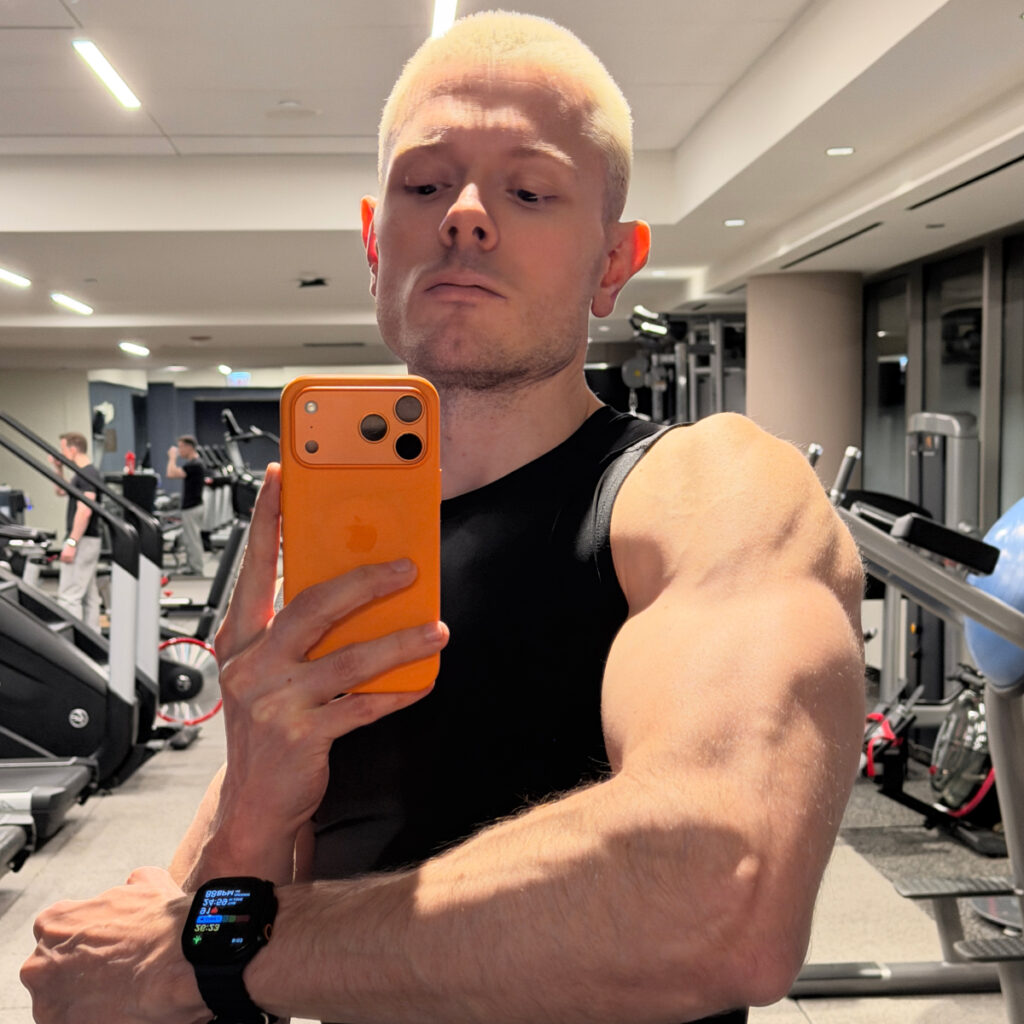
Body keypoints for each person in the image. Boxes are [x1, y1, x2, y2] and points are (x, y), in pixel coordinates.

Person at [22, 12, 866, 1024]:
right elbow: (184, 967)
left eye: (528, 188)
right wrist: (249, 814)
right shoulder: (338, 542)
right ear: (377, 244)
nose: (465, 216)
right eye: (425, 185)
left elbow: (719, 888)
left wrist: (223, 951)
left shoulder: (706, 486)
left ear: (612, 262)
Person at [49, 431, 103, 632]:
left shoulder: (87, 474)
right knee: (89, 596)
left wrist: (71, 542)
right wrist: (58, 468)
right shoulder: (81, 474)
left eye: (63, 450)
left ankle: (72, 646)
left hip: (83, 540)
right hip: (86, 540)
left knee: (69, 596)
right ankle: (92, 640)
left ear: (72, 449)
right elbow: (60, 491)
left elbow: (85, 510)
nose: (61, 454)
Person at [166, 434, 206, 575]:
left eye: (181, 447)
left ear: (190, 447)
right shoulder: (193, 464)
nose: (179, 450)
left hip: (193, 507)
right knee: (190, 539)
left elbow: (171, 473)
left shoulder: (195, 464)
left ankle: (197, 568)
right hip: (192, 506)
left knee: (193, 539)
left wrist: (172, 457)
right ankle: (192, 566)